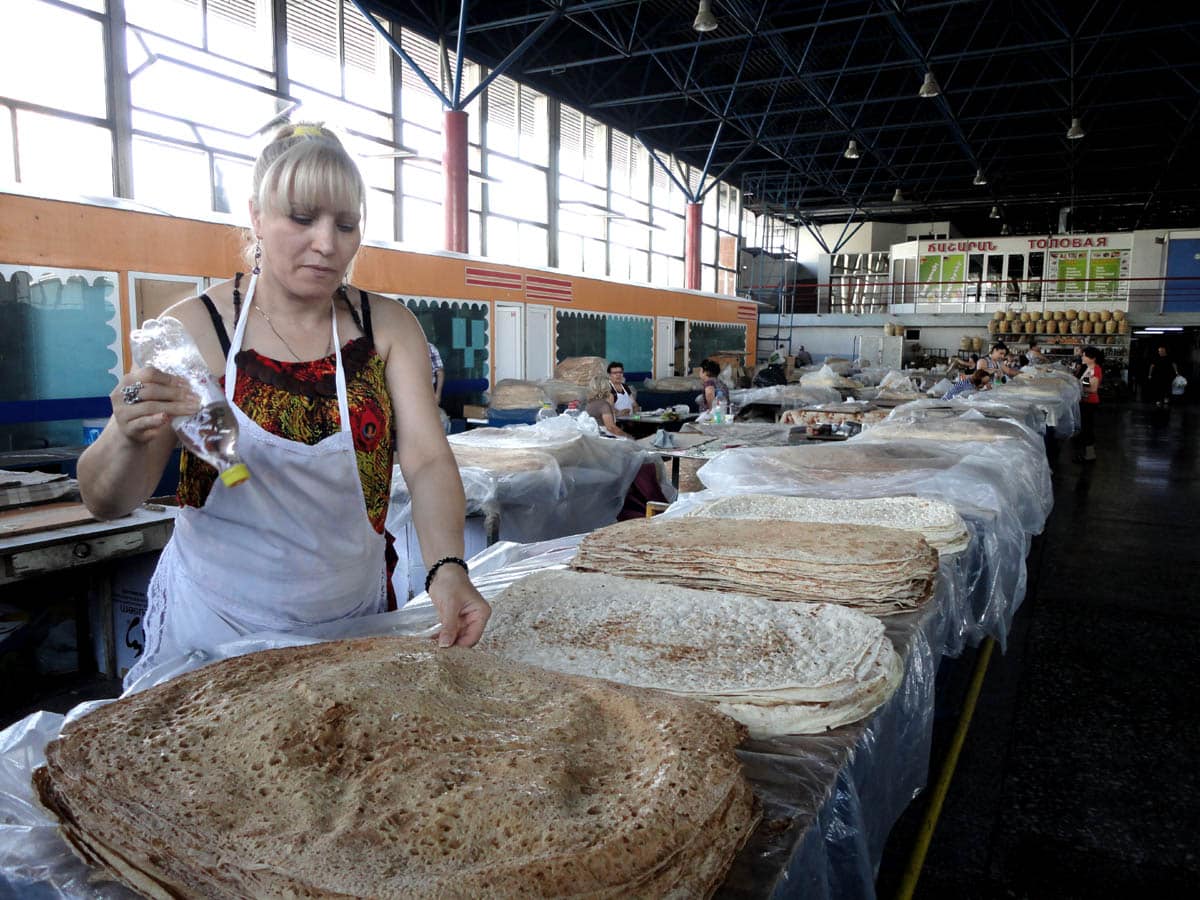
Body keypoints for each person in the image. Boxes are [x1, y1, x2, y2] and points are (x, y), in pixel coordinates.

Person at [78, 123, 491, 685]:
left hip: (351, 620)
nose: (327, 244)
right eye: (302, 219)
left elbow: (425, 459)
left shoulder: (387, 328)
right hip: (216, 626)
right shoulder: (195, 334)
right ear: (256, 215)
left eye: (346, 225)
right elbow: (110, 500)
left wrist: (447, 567)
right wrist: (125, 434)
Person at [1074, 345, 1103, 462]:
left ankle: (1090, 455)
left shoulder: (1096, 369)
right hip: (1085, 402)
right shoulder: (1088, 368)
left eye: (1085, 355)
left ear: (1093, 358)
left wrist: (1077, 388)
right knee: (1085, 428)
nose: (1082, 357)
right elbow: (1086, 385)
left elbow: (1093, 389)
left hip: (1090, 403)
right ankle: (1086, 453)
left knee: (1087, 429)